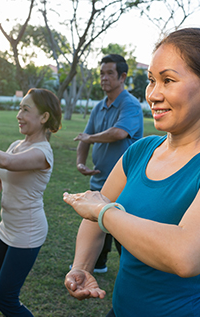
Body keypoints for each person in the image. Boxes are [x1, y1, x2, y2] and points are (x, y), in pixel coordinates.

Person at [63, 28, 200, 316]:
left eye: (168, 80)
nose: (153, 94)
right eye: (151, 80)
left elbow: (186, 256)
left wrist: (106, 213)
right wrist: (81, 266)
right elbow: (93, 218)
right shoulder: (140, 151)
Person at [0, 88, 62, 317]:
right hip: (7, 227)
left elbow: (6, 162)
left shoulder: (42, 153)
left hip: (27, 232)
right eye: (19, 108)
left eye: (25, 110)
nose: (18, 115)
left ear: (44, 117)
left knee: (6, 298)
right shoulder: (16, 144)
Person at [73, 54, 144, 273]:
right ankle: (99, 264)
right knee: (95, 222)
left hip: (125, 182)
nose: (104, 78)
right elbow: (85, 137)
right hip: (99, 178)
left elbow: (119, 132)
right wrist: (80, 163)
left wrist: (90, 138)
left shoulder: (130, 104)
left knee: (122, 228)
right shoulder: (99, 107)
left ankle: (133, 270)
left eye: (109, 73)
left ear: (122, 77)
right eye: (101, 73)